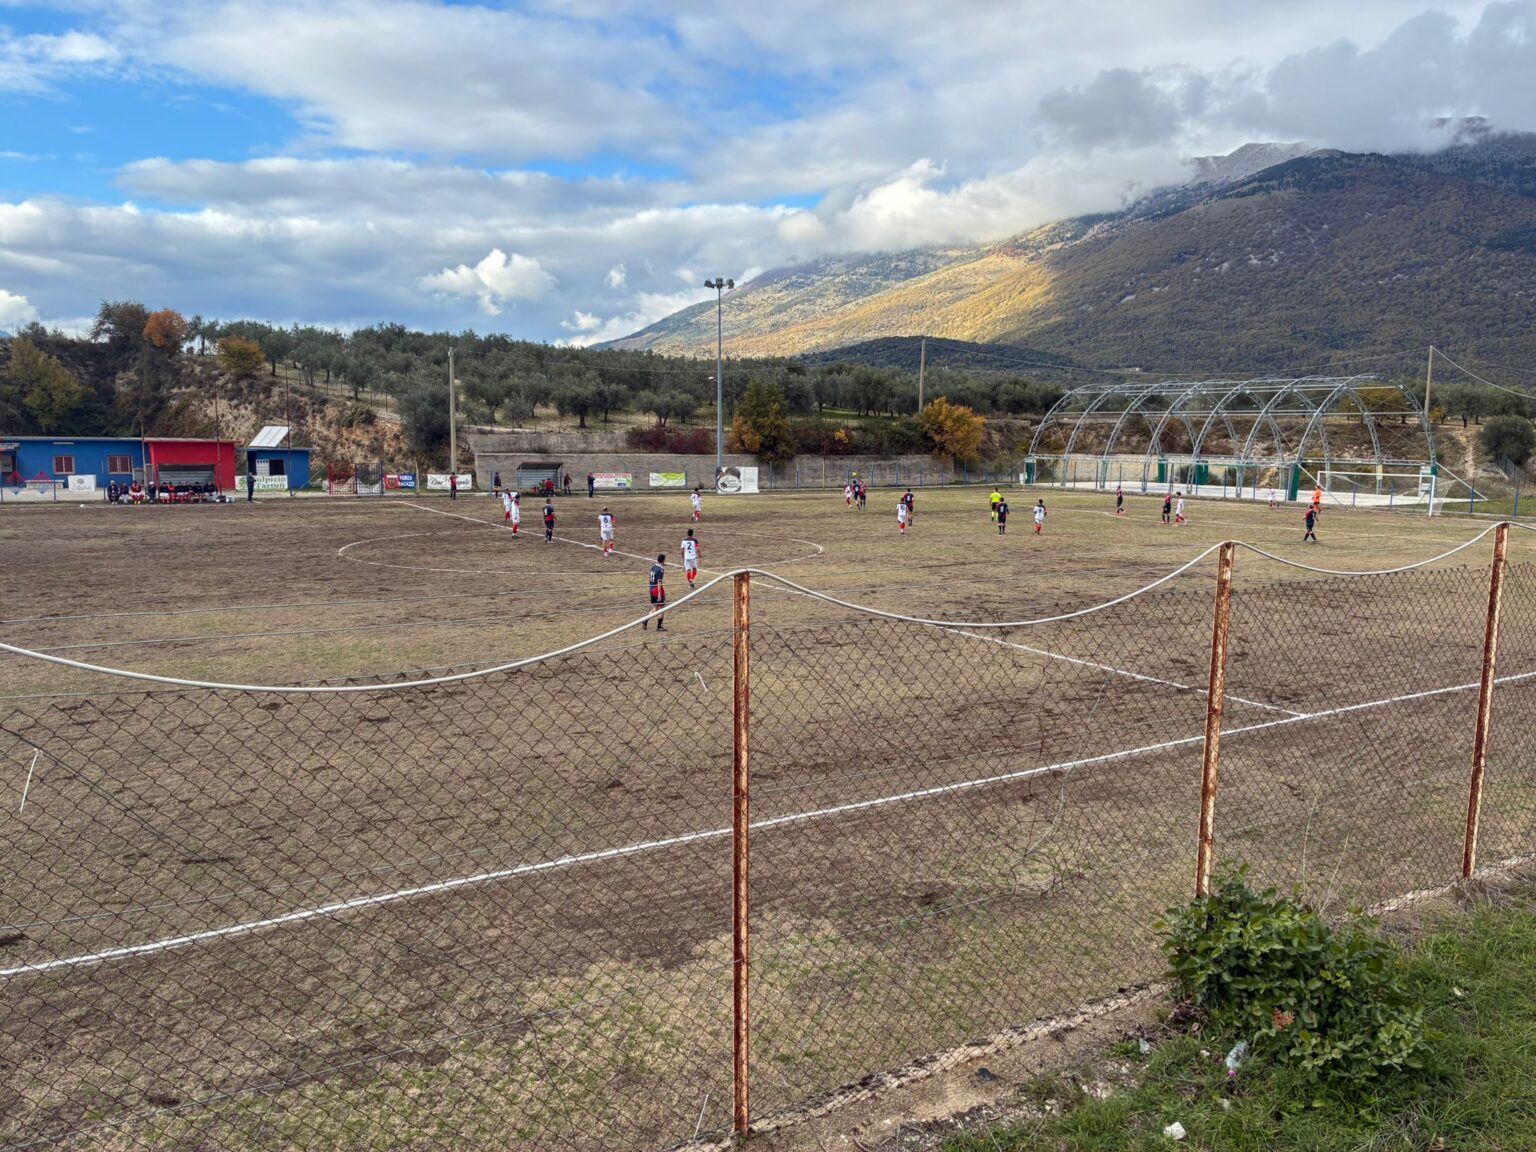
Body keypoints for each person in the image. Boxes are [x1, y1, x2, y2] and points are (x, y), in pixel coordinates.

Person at [644, 553, 667, 631]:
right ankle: (659, 626)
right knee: (662, 608)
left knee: (656, 607)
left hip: (651, 588)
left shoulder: (653, 567)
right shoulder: (661, 569)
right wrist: (660, 594)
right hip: (657, 589)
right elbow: (659, 582)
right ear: (663, 560)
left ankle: (646, 619)